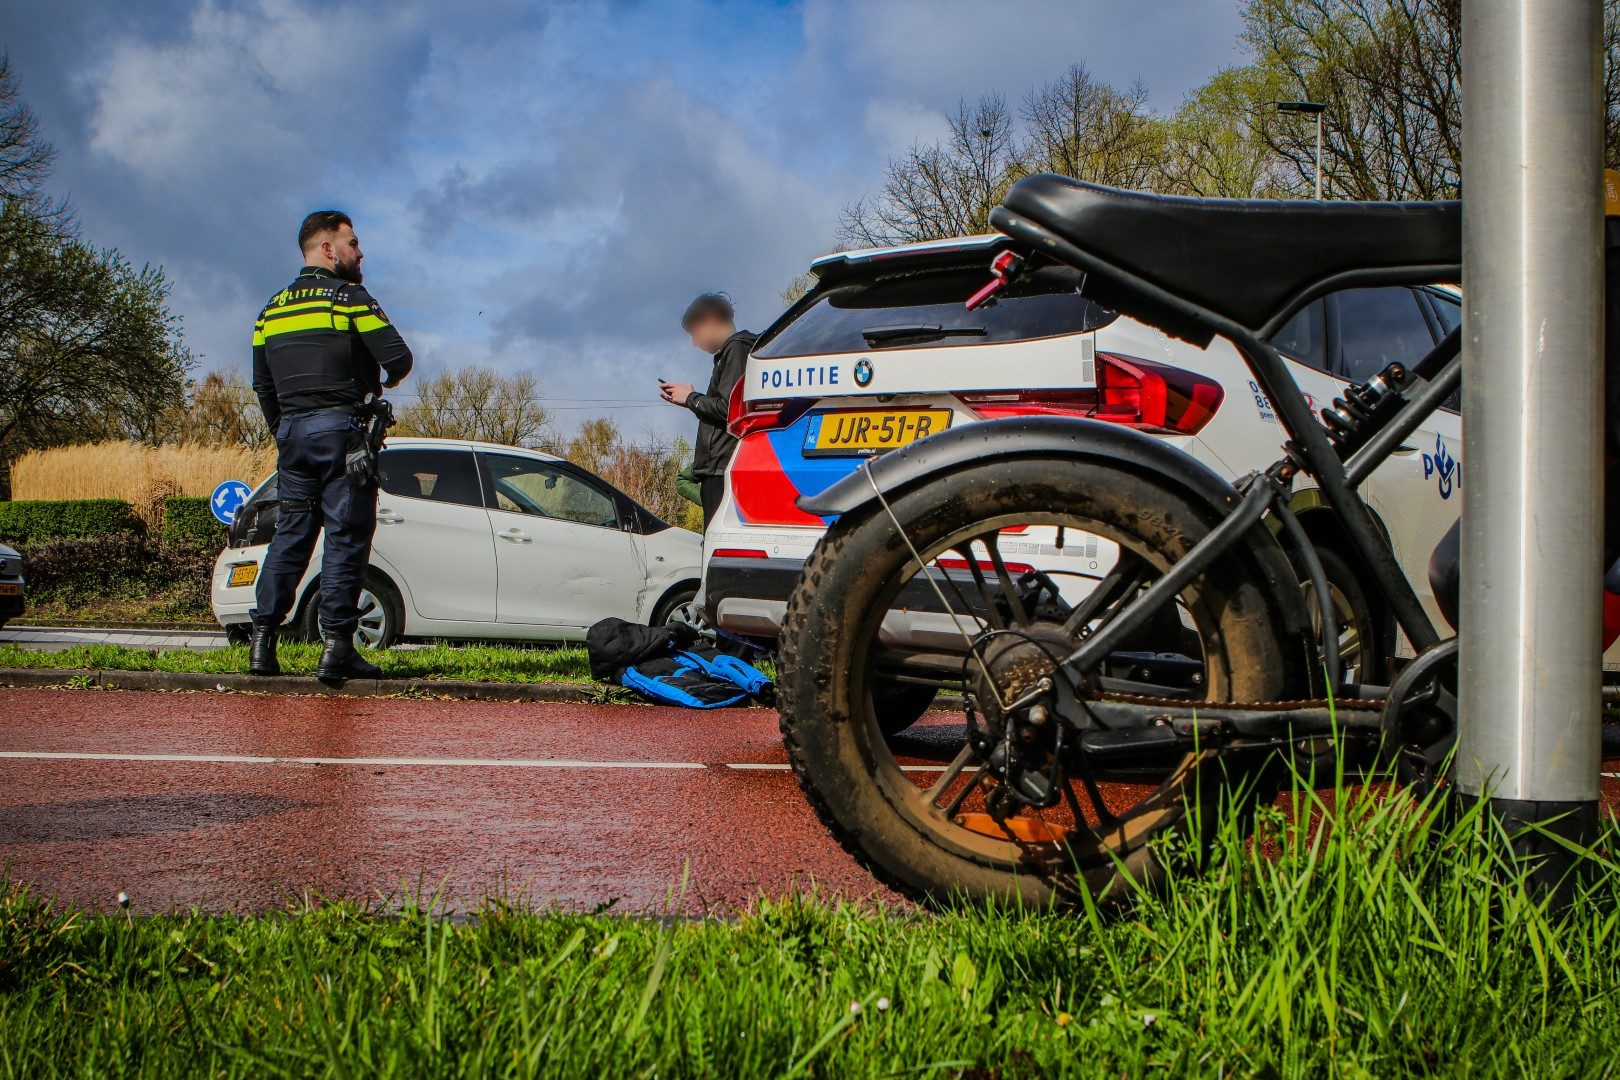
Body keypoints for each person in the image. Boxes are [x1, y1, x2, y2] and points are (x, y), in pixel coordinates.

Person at [247, 210, 413, 682]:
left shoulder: (270, 311)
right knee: (346, 537)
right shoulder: (350, 299)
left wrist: (284, 429)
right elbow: (399, 358)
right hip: (344, 437)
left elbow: (262, 386)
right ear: (326, 249)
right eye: (353, 243)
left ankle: (263, 641)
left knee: (291, 537)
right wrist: (373, 386)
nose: (360, 253)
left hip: (293, 439)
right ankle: (337, 647)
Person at [658, 293, 756, 527]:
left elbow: (730, 410)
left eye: (694, 333)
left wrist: (692, 398)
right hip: (720, 468)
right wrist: (693, 401)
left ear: (711, 320)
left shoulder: (736, 348)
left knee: (718, 544)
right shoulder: (734, 351)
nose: (694, 342)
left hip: (722, 470)